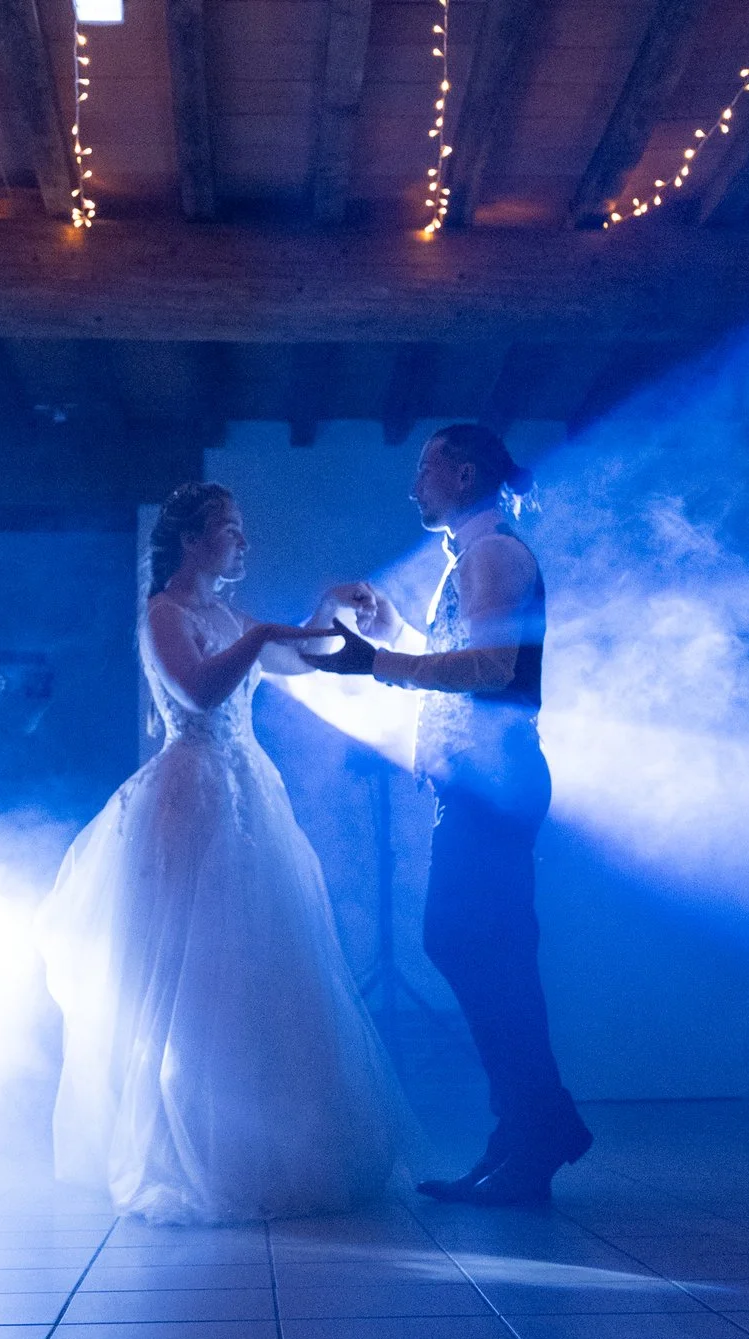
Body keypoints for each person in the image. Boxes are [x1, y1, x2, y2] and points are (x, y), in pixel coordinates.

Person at [38, 482, 411, 1224]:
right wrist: (263, 634)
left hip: (248, 791)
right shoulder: (165, 614)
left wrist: (323, 615)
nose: (242, 542)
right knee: (196, 971)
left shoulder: (225, 613)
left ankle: (275, 1141)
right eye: (230, 530)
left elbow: (293, 663)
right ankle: (196, 1148)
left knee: (267, 967)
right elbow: (201, 690)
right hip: (194, 795)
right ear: (192, 540)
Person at [306, 424, 592, 1206]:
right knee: (488, 950)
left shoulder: (495, 554)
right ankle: (529, 1128)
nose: (413, 486)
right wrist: (392, 628)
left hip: (492, 783)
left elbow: (494, 669)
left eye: (424, 468)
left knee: (473, 945)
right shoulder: (476, 559)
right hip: (481, 784)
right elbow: (469, 656)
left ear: (463, 472)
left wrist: (380, 665)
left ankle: (538, 1123)